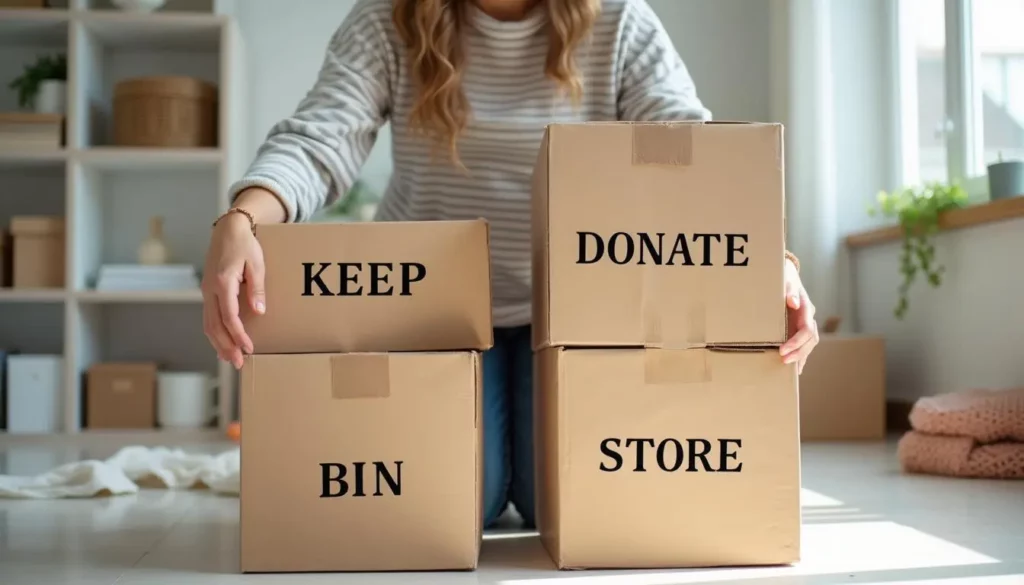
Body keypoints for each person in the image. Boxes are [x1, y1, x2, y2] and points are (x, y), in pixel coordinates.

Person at [202, 0, 819, 529]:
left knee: (560, 499)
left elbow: (691, 151)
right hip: (433, 314)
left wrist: (772, 259)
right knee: (460, 499)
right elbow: (320, 140)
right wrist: (242, 220)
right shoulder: (387, 21)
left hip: (575, 314)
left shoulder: (619, 20)